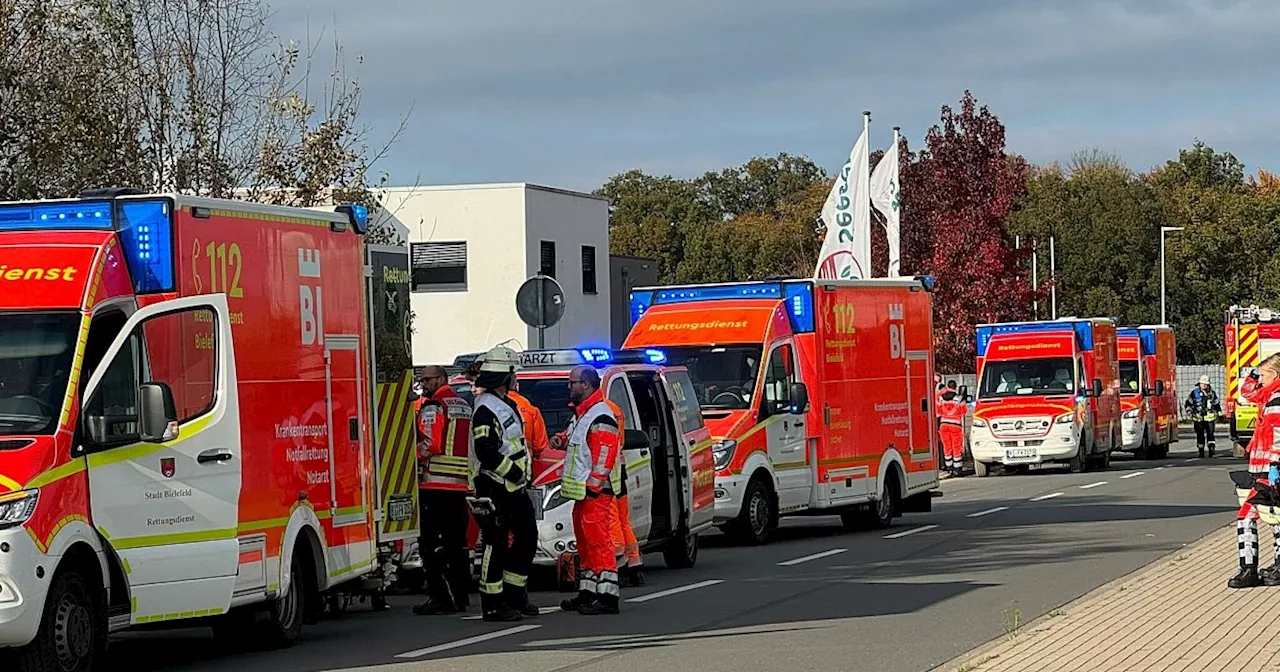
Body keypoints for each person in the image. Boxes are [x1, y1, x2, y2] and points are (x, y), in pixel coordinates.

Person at [469, 345, 540, 621]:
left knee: (527, 538)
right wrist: (512, 472)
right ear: (504, 376)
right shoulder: (485, 409)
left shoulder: (506, 404)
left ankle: (514, 596)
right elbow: (485, 450)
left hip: (514, 486)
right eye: (513, 374)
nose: (516, 379)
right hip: (495, 486)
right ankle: (493, 603)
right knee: (495, 544)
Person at [559, 365, 624, 615]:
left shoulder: (600, 415)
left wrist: (594, 486)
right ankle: (588, 592)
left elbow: (604, 456)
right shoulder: (584, 415)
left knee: (599, 542)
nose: (569, 387)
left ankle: (608, 596)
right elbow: (581, 444)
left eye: (572, 382)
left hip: (595, 493)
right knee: (586, 543)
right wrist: (561, 439)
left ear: (586, 384)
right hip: (583, 493)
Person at [411, 365, 473, 616]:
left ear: (441, 379)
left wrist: (410, 458)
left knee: (429, 545)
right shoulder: (464, 406)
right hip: (459, 485)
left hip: (434, 484)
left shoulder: (434, 407)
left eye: (427, 379)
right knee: (457, 544)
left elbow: (431, 443)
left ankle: (440, 597)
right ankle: (461, 596)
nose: (423, 384)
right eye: (421, 380)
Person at [1229, 354, 1280, 588]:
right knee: (1265, 516)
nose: (1259, 380)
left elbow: (1278, 438)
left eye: (1263, 376)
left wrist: (1274, 466)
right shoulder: (1267, 397)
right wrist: (1250, 375)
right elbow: (1246, 394)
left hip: (1270, 469)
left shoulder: (1276, 400)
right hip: (1261, 469)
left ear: (1275, 376)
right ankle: (1253, 568)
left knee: (1261, 516)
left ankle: (1252, 569)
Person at [602, 398, 645, 587]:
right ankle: (634, 561)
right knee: (622, 519)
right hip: (620, 469)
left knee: (612, 518)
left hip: (608, 470)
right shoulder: (615, 407)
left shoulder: (599, 411)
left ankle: (619, 561)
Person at [509, 379, 550, 460]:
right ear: (516, 386)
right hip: (524, 462)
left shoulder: (490, 404)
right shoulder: (529, 407)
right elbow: (539, 445)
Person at [1185, 375, 1223, 458]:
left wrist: (1220, 413)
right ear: (1199, 384)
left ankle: (1211, 450)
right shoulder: (1194, 393)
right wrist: (1189, 411)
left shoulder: (1212, 393)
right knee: (1200, 435)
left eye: (1206, 384)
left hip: (1210, 418)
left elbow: (1216, 404)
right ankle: (1201, 451)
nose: (1204, 385)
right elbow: (1188, 403)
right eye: (1202, 384)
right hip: (1198, 419)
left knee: (1210, 434)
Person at [937, 380, 967, 476]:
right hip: (955, 425)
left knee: (947, 446)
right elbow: (963, 411)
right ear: (955, 387)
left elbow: (938, 411)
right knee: (956, 446)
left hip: (944, 424)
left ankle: (949, 468)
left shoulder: (941, 398)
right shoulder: (959, 399)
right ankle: (957, 469)